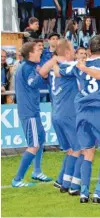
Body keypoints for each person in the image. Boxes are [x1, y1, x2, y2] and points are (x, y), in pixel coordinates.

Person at [59, 35, 100, 203]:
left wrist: (78, 62)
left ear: (89, 49)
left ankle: (83, 193)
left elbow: (60, 70)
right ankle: (98, 193)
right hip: (99, 111)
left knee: (88, 154)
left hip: (82, 112)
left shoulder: (79, 64)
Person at [11, 42, 57, 187]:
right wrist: (44, 71)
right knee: (34, 144)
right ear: (30, 53)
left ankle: (37, 172)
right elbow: (34, 83)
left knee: (41, 139)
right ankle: (17, 179)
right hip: (29, 112)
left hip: (32, 110)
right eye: (38, 50)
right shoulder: (27, 67)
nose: (41, 52)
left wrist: (41, 72)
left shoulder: (26, 67)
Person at [47, 39, 83, 195]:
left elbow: (54, 70)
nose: (75, 53)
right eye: (74, 50)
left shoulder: (55, 68)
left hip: (57, 113)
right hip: (69, 113)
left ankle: (62, 181)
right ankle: (72, 186)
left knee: (70, 149)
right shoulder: (69, 66)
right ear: (68, 53)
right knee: (81, 149)